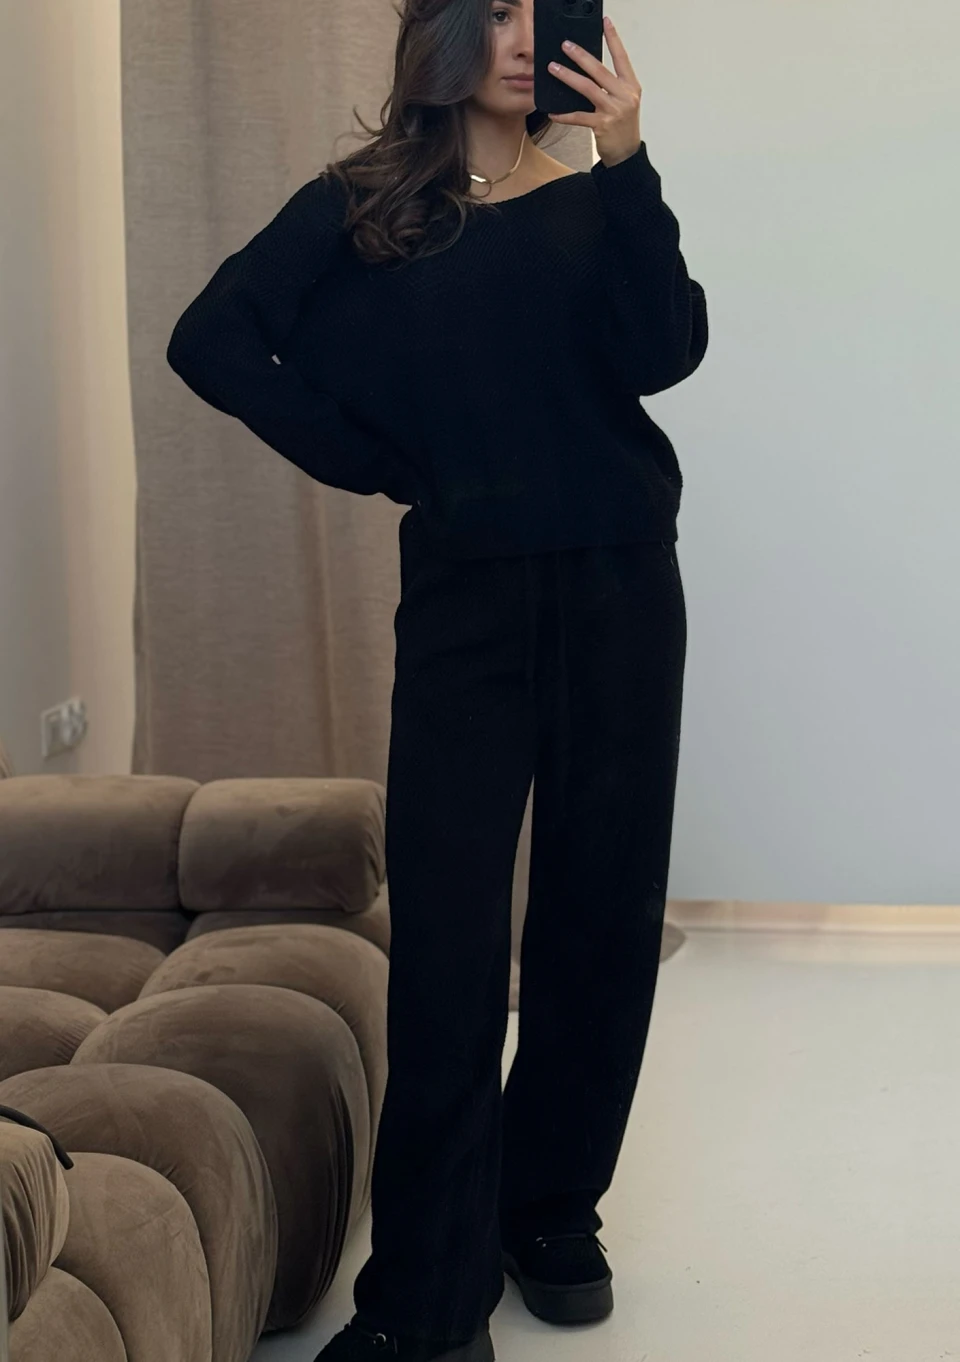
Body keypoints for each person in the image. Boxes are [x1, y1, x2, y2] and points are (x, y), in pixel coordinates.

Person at [166, 0, 708, 1357]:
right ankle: (429, 1294)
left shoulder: (593, 196)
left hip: (620, 587)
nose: (529, 36)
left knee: (600, 911)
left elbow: (667, 352)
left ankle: (550, 1207)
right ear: (447, 34)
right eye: (499, 10)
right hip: (468, 601)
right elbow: (213, 338)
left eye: (547, 9)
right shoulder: (364, 206)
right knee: (453, 944)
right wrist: (373, 460)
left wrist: (630, 161)